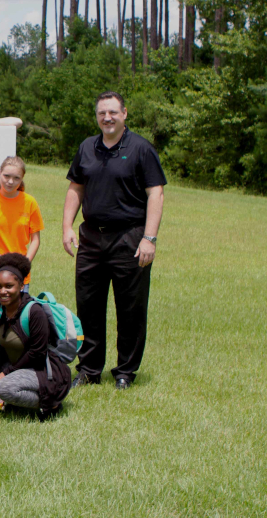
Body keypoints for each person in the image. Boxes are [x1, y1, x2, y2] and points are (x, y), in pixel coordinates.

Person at [63, 91, 165, 390]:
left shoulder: (141, 149)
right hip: (91, 236)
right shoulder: (87, 148)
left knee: (130, 308)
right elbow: (75, 188)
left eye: (113, 112)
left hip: (130, 237)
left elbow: (155, 193)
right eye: (101, 113)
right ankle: (89, 370)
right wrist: (67, 226)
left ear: (124, 114)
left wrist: (149, 237)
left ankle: (125, 372)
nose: (107, 118)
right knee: (88, 306)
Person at [0, 253, 70, 419]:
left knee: (4, 388)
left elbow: (37, 353)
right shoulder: (5, 309)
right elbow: (1, 345)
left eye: (9, 286)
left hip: (42, 370)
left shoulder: (34, 312)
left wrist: (4, 373)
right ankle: (8, 399)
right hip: (17, 364)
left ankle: (50, 403)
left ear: (21, 286)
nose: (3, 291)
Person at [0, 156, 44, 351]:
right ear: (0, 174)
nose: (10, 181)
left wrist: (24, 263)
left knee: (15, 324)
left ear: (22, 179)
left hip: (19, 274)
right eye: (6, 176)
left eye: (16, 178)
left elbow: (35, 239)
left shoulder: (29, 203)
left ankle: (11, 370)